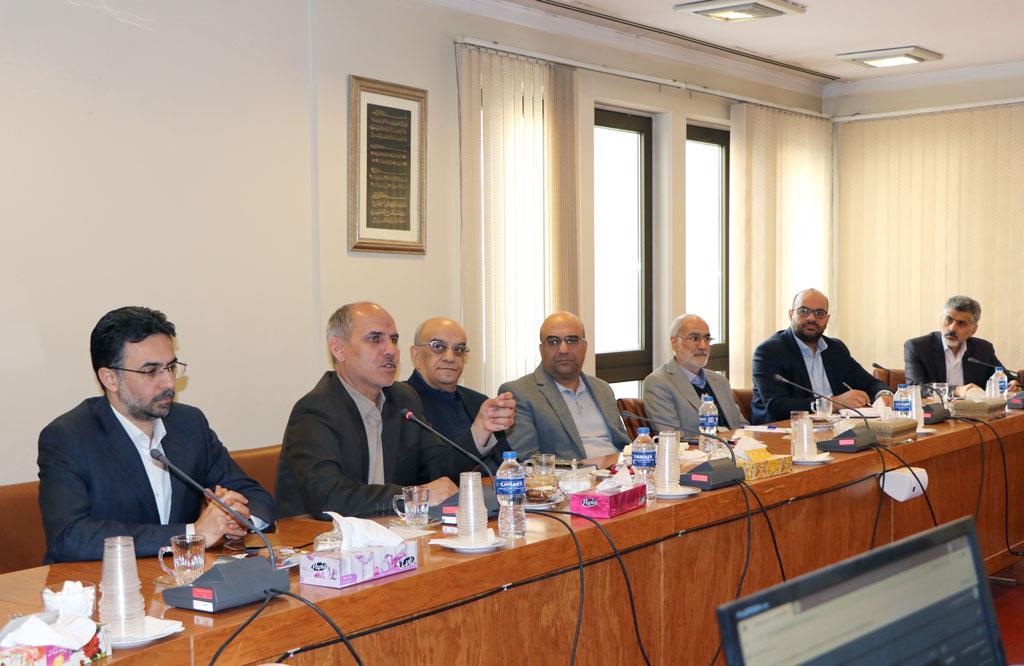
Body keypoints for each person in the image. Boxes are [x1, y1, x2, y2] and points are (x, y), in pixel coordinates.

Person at [38, 307, 275, 563]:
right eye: (151, 371)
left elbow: (255, 496)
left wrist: (238, 519)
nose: (169, 383)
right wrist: (193, 534)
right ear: (110, 378)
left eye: (171, 367)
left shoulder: (189, 424)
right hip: (102, 582)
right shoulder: (68, 437)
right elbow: (70, 537)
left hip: (181, 578)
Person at [275, 302, 465, 519]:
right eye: (375, 339)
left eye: (394, 340)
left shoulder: (402, 399)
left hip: (390, 528)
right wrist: (411, 497)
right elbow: (328, 498)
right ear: (338, 348)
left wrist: (480, 432)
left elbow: (439, 469)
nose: (391, 350)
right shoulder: (315, 410)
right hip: (319, 534)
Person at [499, 312, 629, 461]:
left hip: (620, 471)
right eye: (553, 341)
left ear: (584, 346)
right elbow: (527, 460)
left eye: (572, 340)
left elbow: (624, 445)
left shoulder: (602, 388)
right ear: (541, 349)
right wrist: (590, 469)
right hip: (573, 474)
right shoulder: (519, 393)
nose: (563, 349)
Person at [751, 289, 891, 424]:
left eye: (819, 313)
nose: (811, 318)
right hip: (783, 431)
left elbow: (871, 383)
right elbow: (777, 406)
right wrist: (834, 403)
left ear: (827, 319)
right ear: (790, 314)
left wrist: (883, 395)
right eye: (803, 311)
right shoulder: (769, 351)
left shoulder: (835, 348)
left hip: (836, 428)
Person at [406, 317, 516, 474]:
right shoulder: (403, 403)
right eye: (438, 346)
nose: (450, 358)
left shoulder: (478, 401)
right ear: (416, 354)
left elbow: (509, 465)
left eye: (458, 349)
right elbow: (430, 474)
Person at [643, 314, 749, 434]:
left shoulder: (719, 380)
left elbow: (741, 426)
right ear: (674, 342)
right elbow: (672, 437)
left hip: (735, 445)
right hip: (699, 446)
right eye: (694, 338)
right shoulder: (659, 382)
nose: (703, 346)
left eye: (707, 339)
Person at [904, 295, 1021, 394]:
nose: (952, 328)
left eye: (961, 324)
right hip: (934, 412)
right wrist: (957, 390)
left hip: (974, 411)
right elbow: (915, 387)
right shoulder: (918, 347)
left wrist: (1013, 382)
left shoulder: (983, 349)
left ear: (973, 330)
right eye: (949, 320)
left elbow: (1003, 375)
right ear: (941, 320)